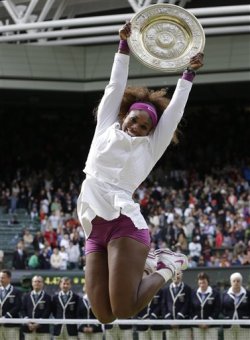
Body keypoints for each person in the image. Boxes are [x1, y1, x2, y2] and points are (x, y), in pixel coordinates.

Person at [77, 21, 204, 323]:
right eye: (134, 120)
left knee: (124, 309)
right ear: (125, 116)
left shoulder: (149, 147)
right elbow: (114, 86)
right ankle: (153, 263)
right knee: (104, 315)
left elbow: (174, 113)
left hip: (124, 224)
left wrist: (188, 74)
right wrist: (123, 46)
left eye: (144, 127)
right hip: (93, 226)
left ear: (151, 132)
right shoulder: (106, 127)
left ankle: (168, 266)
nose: (136, 128)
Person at [162, 271, 192, 340]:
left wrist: (178, 320)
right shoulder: (166, 290)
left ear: (182, 275)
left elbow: (187, 305)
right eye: (174, 274)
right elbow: (163, 306)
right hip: (169, 326)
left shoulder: (187, 289)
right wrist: (170, 320)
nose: (176, 276)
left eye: (178, 274)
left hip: (183, 325)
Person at [191, 272, 221, 340]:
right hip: (197, 327)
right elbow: (191, 309)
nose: (202, 285)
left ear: (208, 282)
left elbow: (217, 309)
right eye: (200, 283)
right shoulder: (193, 293)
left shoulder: (215, 293)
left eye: (204, 282)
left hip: (211, 327)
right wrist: (197, 322)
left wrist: (208, 322)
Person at [22, 275, 52, 340]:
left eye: (39, 281)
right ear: (32, 283)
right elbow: (23, 310)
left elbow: (47, 312)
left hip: (43, 330)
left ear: (42, 284)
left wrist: (38, 324)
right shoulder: (26, 296)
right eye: (35, 281)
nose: (37, 283)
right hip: (28, 329)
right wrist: (28, 323)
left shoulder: (48, 297)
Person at [221, 272, 250, 340]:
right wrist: (227, 316)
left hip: (244, 324)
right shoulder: (225, 294)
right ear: (231, 282)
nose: (236, 283)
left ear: (241, 282)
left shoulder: (248, 294)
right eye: (234, 281)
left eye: (238, 281)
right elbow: (221, 308)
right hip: (229, 324)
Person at [0, 269, 22, 340]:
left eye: (2, 277)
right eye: (0, 277)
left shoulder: (16, 291)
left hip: (11, 325)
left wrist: (6, 316)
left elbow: (17, 306)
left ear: (9, 279)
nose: (0, 279)